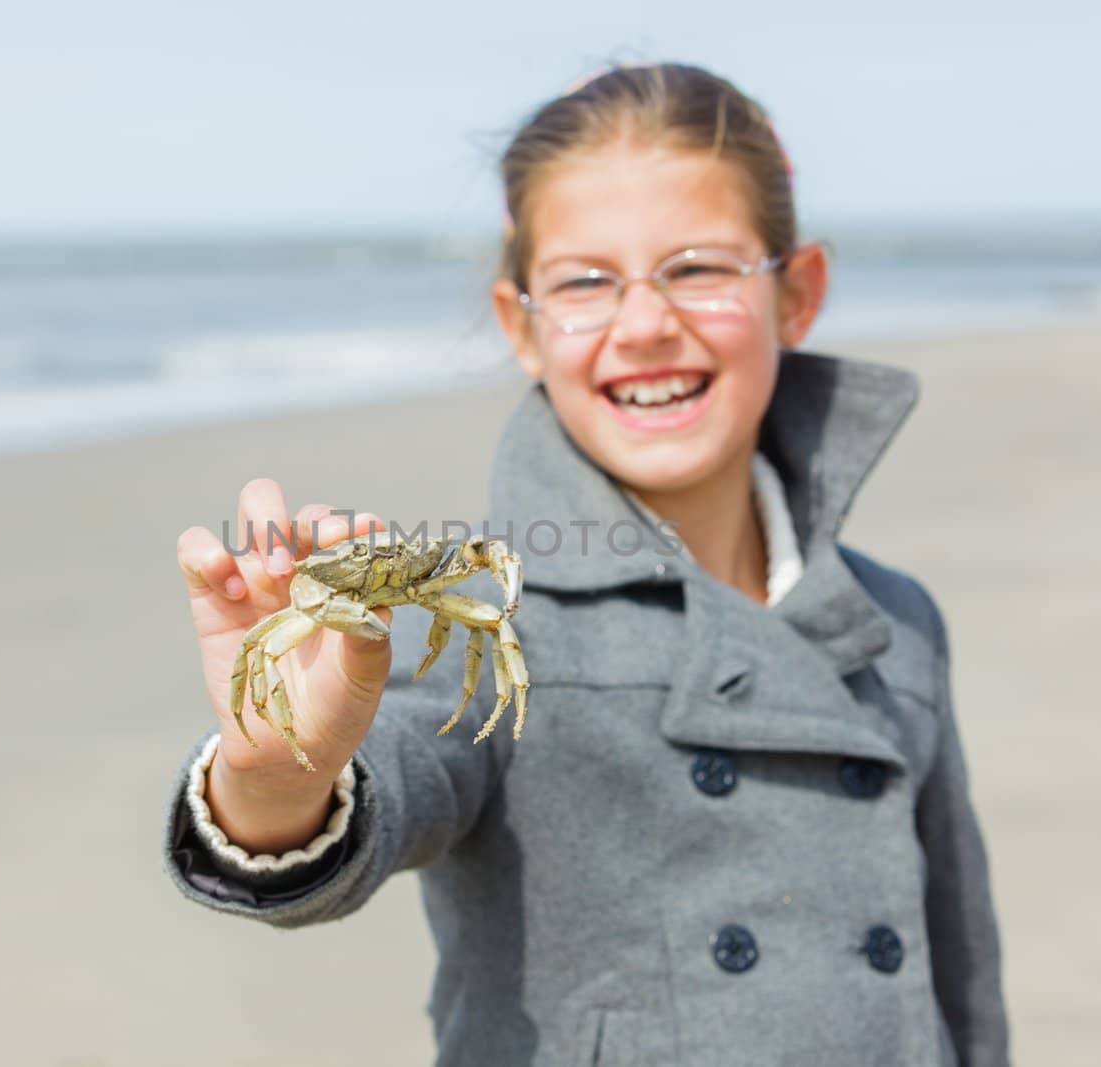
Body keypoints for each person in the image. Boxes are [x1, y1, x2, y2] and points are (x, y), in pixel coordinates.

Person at [168, 61, 1009, 1066]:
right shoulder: (487, 612)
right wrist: (277, 777)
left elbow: (956, 979)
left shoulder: (893, 619)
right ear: (520, 323)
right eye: (584, 282)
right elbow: (391, 774)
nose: (645, 323)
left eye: (698, 266)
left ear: (797, 292)